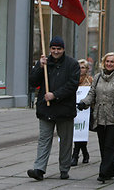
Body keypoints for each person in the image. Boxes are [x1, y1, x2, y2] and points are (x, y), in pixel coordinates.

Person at [27, 36, 80, 181]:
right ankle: (39, 168)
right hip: (46, 110)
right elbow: (32, 81)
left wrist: (55, 95)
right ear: (49, 49)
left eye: (59, 49)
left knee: (65, 141)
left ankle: (64, 168)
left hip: (65, 109)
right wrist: (39, 67)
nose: (56, 51)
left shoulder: (72, 64)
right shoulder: (44, 62)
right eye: (53, 48)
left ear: (63, 49)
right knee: (44, 139)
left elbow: (72, 85)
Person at [78, 52, 114, 183]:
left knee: (110, 146)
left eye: (112, 62)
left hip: (113, 116)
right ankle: (110, 170)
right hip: (99, 115)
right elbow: (91, 93)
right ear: (104, 63)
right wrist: (84, 102)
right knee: (102, 145)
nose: (109, 64)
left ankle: (103, 172)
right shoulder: (98, 77)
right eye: (107, 61)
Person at [71, 59, 93, 166]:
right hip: (74, 109)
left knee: (81, 131)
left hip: (85, 111)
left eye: (83, 68)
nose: (80, 70)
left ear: (87, 69)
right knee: (77, 131)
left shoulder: (90, 80)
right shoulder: (73, 80)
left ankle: (75, 155)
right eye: (79, 68)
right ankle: (84, 153)